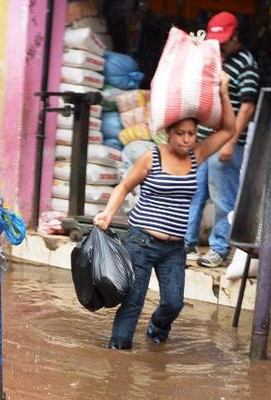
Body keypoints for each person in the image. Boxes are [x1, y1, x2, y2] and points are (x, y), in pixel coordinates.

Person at [92, 73, 235, 350]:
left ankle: (157, 328)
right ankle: (118, 355)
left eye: (191, 134)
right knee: (133, 303)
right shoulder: (151, 156)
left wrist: (224, 91)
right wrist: (108, 213)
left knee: (174, 302)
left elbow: (228, 130)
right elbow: (123, 186)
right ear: (168, 133)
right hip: (141, 241)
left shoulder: (197, 156)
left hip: (174, 248)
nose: (186, 139)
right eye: (180, 134)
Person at [185, 11, 260, 268]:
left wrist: (230, 140)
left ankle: (219, 248)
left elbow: (248, 107)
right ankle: (186, 243)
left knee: (223, 199)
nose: (220, 45)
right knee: (193, 193)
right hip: (204, 142)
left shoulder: (247, 63)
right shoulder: (215, 58)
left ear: (235, 36)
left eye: (224, 40)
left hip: (226, 143)